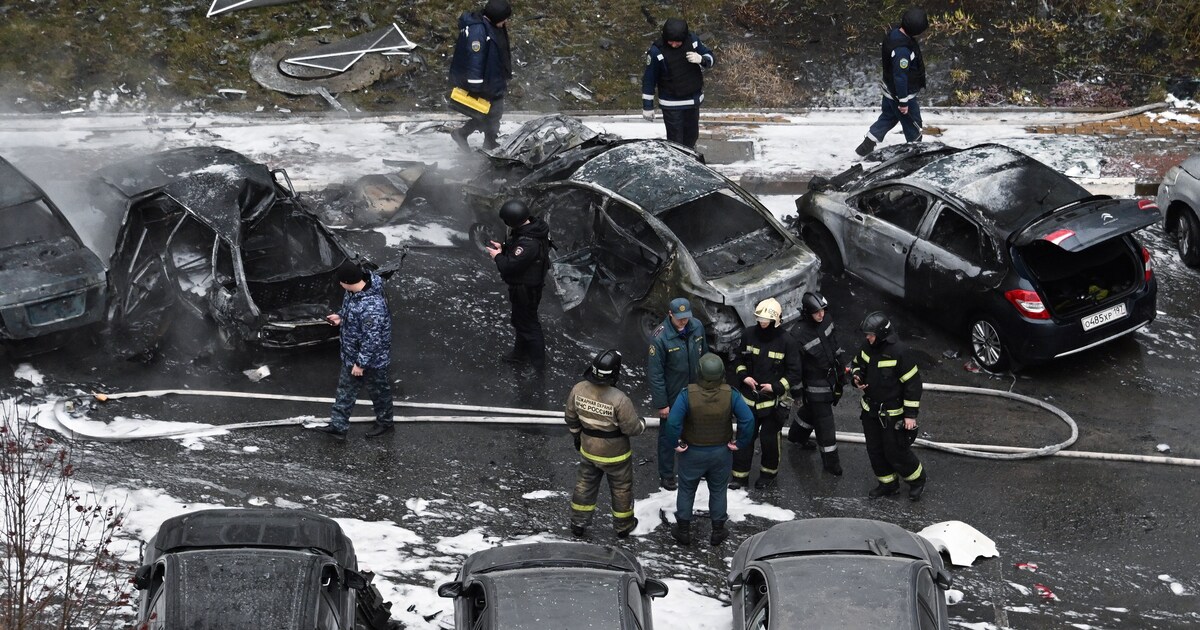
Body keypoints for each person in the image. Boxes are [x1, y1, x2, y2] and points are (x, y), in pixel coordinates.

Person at [662, 353, 754, 546]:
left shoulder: (687, 394)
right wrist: (740, 442)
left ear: (699, 372)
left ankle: (684, 531)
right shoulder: (731, 394)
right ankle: (718, 531)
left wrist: (675, 443)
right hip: (721, 452)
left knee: (687, 490)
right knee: (719, 491)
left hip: (692, 452)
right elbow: (748, 419)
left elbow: (672, 423)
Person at [565, 349, 646, 538]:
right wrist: (642, 423)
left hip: (589, 450)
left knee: (585, 485)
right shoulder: (619, 399)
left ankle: (578, 523)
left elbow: (571, 418)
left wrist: (577, 437)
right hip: (616, 455)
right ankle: (623, 526)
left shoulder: (578, 389)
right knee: (621, 488)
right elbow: (631, 428)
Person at [850, 311, 926, 500]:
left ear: (882, 334)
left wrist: (910, 415)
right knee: (874, 450)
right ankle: (888, 484)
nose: (867, 338)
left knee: (896, 452)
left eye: (871, 335)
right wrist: (856, 377)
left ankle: (917, 480)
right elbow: (856, 365)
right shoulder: (866, 347)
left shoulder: (899, 352)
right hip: (870, 412)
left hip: (892, 414)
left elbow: (913, 384)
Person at [315, 262, 394, 440]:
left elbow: (372, 339)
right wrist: (341, 317)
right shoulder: (354, 292)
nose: (340, 286)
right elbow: (352, 312)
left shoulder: (372, 306)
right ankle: (338, 427)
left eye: (341, 283)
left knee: (379, 392)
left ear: (347, 282)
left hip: (372, 360)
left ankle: (385, 423)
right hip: (352, 355)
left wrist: (361, 364)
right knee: (344, 391)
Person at [730, 298, 801, 490]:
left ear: (776, 320)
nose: (762, 323)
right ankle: (739, 476)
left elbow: (794, 373)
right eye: (760, 319)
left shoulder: (787, 342)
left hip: (773, 403)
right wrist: (744, 377)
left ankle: (768, 475)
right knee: (745, 438)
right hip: (749, 401)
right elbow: (738, 360)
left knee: (770, 440)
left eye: (766, 320)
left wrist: (776, 387)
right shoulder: (749, 335)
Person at [647, 297, 708, 491]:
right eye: (679, 318)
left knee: (697, 431)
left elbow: (705, 355)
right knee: (668, 436)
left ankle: (696, 469)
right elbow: (655, 374)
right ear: (670, 314)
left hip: (695, 390)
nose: (684, 321)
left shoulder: (697, 327)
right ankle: (666, 475)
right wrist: (662, 404)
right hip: (674, 394)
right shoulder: (659, 338)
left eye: (686, 317)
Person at [486, 199, 551, 371]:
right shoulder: (533, 229)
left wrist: (497, 256)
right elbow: (518, 253)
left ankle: (538, 366)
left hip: (526, 289)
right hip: (525, 287)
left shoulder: (528, 242)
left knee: (529, 325)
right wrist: (505, 248)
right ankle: (519, 354)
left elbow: (509, 266)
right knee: (521, 322)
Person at [788, 292, 847, 476]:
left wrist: (841, 368)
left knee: (812, 411)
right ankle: (831, 463)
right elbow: (795, 367)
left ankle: (796, 436)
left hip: (831, 377)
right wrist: (797, 393)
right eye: (816, 312)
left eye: (822, 310)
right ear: (807, 313)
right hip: (814, 384)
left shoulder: (827, 320)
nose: (821, 315)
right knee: (825, 423)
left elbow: (834, 344)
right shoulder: (798, 335)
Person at [855, 7, 929, 157]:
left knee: (888, 117)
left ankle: (869, 142)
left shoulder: (895, 34)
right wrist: (903, 102)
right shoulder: (903, 51)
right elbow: (900, 77)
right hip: (902, 95)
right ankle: (915, 152)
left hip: (889, 91)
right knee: (913, 125)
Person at [641, 18, 715, 150]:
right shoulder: (656, 52)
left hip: (692, 102)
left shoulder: (693, 41)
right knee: (676, 141)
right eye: (671, 41)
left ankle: (690, 158)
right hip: (671, 105)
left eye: (677, 42)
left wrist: (701, 59)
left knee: (692, 136)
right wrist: (648, 106)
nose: (674, 45)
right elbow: (649, 79)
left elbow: (710, 57)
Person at [448, 0, 513, 151]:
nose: (505, 22)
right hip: (484, 81)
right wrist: (475, 85)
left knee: (493, 113)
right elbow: (475, 58)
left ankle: (488, 142)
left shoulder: (493, 25)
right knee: (488, 113)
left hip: (494, 76)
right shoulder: (478, 29)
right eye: (504, 19)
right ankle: (465, 135)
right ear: (496, 17)